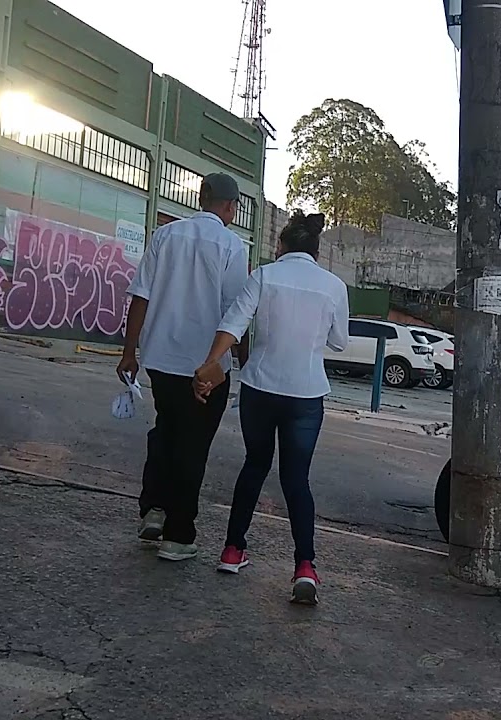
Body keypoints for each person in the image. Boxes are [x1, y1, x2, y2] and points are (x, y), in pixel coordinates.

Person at [192, 211, 349, 605]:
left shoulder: (264, 276)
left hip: (259, 388)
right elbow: (340, 342)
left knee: (255, 464)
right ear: (316, 250)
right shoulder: (333, 286)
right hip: (306, 393)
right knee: (297, 480)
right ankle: (305, 567)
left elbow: (234, 323)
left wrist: (211, 363)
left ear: (281, 246)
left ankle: (232, 549)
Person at [117, 172, 249, 562]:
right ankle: (179, 533)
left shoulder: (166, 236)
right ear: (229, 206)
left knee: (167, 430)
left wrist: (129, 353)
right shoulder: (231, 245)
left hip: (161, 360)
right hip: (206, 366)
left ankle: (154, 509)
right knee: (193, 444)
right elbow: (236, 312)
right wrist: (242, 363)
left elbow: (140, 296)